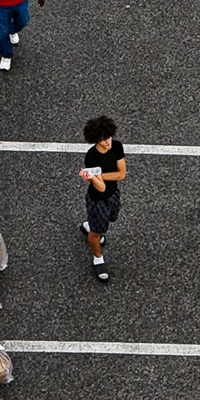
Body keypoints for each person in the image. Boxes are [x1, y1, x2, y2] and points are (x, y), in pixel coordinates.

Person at [79, 115, 126, 282]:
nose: (108, 142)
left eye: (109, 137)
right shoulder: (91, 157)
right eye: (104, 140)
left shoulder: (117, 146)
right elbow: (101, 188)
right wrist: (92, 178)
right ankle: (97, 257)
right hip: (97, 200)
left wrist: (97, 174)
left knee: (111, 218)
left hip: (113, 195)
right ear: (96, 140)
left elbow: (121, 174)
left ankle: (89, 226)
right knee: (97, 232)